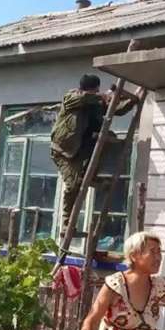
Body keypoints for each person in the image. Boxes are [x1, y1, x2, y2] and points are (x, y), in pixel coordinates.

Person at [50, 74, 140, 235]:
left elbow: (117, 109)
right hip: (64, 151)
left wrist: (132, 100)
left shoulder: (96, 103)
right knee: (73, 185)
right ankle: (66, 224)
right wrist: (103, 96)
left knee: (107, 138)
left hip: (84, 148)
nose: (97, 92)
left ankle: (91, 177)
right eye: (95, 90)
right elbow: (84, 98)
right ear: (89, 88)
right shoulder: (71, 97)